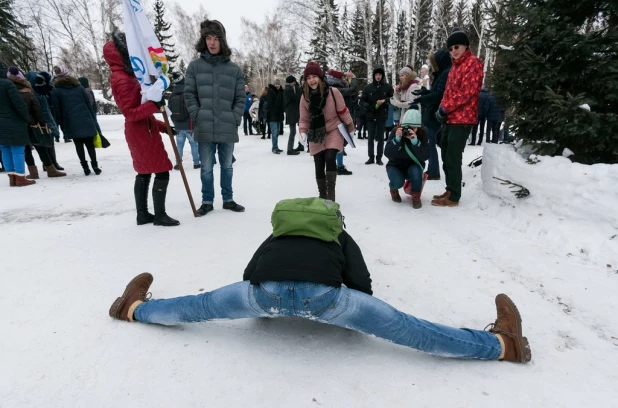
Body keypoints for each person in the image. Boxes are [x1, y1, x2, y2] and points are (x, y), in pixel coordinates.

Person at [108, 198, 532, 364]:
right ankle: (501, 346)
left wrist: (266, 306)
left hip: (264, 292)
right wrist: (352, 311)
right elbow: (361, 282)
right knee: (410, 330)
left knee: (197, 307)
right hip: (327, 300)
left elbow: (249, 274)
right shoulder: (339, 235)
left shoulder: (276, 234)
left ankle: (132, 309)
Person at [103, 31, 179, 227]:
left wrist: (164, 127)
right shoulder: (121, 79)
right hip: (141, 134)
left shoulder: (128, 76)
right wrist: (155, 104)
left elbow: (141, 113)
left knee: (144, 172)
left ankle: (143, 215)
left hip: (143, 130)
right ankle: (159, 216)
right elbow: (131, 113)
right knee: (162, 171)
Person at [185, 20, 245, 216]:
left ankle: (228, 199)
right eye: (208, 38)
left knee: (227, 166)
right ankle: (207, 201)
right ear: (204, 41)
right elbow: (189, 95)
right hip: (204, 126)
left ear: (222, 42)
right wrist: (197, 114)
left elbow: (240, 97)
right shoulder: (194, 67)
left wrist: (235, 117)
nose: (212, 43)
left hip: (227, 125)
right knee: (206, 168)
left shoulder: (234, 70)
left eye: (216, 38)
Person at [433, 28, 483, 207]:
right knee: (446, 153)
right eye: (450, 48)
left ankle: (454, 196)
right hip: (450, 118)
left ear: (465, 46)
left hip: (463, 118)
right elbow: (448, 92)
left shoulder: (473, 63)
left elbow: (467, 93)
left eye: (456, 46)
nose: (453, 51)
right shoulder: (455, 66)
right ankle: (450, 188)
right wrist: (441, 110)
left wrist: (445, 108)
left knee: (453, 156)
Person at [299, 62, 355, 202]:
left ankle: (331, 196)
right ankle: (322, 195)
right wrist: (302, 131)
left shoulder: (333, 92)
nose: (312, 80)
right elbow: (304, 119)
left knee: (330, 156)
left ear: (320, 76)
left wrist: (350, 127)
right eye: (309, 77)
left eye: (314, 76)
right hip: (315, 132)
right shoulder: (305, 97)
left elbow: (343, 111)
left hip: (333, 128)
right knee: (318, 161)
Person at [8, 67, 66, 179]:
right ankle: (51, 169)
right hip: (33, 124)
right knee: (41, 146)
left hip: (18, 125)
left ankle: (33, 172)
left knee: (26, 149)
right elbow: (37, 109)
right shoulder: (28, 92)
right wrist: (43, 123)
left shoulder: (10, 93)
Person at [51, 65, 101, 176]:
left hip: (70, 122)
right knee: (90, 145)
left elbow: (57, 110)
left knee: (78, 145)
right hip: (86, 119)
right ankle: (95, 166)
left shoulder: (56, 91)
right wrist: (92, 119)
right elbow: (89, 104)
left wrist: (61, 125)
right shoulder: (79, 88)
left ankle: (85, 168)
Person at [412, 48, 452, 180]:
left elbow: (439, 95)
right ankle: (432, 168)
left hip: (434, 115)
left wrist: (423, 98)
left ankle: (434, 170)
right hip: (432, 113)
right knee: (430, 142)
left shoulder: (445, 73)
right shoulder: (441, 73)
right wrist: (423, 92)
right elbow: (435, 92)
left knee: (430, 143)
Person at [0, 60, 35, 187]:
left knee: (5, 149)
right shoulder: (8, 84)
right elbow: (19, 104)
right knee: (18, 149)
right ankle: (20, 177)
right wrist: (26, 118)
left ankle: (12, 178)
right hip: (13, 121)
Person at [384, 109, 428, 209]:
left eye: (413, 128)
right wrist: (396, 140)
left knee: (416, 172)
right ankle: (393, 189)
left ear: (418, 127)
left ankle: (416, 195)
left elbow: (425, 155)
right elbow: (387, 153)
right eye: (406, 127)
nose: (409, 131)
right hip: (395, 165)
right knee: (397, 182)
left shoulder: (422, 133)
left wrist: (416, 142)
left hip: (414, 164)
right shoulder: (396, 131)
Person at [28, 72, 66, 173]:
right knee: (45, 142)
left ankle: (51, 163)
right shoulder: (36, 93)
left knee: (49, 141)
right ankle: (49, 164)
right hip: (42, 120)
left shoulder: (42, 92)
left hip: (47, 118)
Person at [360, 67, 394, 166]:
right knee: (370, 138)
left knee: (380, 138)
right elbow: (362, 101)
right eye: (376, 75)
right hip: (370, 115)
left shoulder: (387, 87)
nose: (378, 77)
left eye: (380, 75)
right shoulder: (368, 88)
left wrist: (384, 100)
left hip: (382, 115)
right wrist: (368, 106)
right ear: (374, 76)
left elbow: (392, 98)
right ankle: (371, 157)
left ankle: (379, 158)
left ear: (382, 76)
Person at [168, 72, 200, 170]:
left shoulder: (173, 94)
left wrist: (175, 122)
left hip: (178, 125)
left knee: (179, 145)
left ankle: (178, 163)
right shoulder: (189, 92)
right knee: (194, 144)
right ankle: (196, 163)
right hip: (190, 125)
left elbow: (169, 110)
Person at [325, 69, 353, 175]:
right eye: (342, 78)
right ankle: (337, 166)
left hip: (338, 117)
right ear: (337, 79)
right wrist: (353, 79)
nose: (344, 79)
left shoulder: (334, 87)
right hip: (338, 119)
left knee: (337, 143)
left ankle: (336, 166)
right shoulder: (335, 88)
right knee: (337, 143)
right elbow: (351, 90)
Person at [283, 75, 302, 155]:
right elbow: (297, 98)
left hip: (290, 112)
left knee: (293, 131)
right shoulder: (289, 89)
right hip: (291, 112)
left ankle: (290, 148)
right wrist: (298, 88)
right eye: (294, 82)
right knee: (293, 132)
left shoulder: (287, 89)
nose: (295, 83)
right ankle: (289, 149)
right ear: (291, 82)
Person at [267, 79, 285, 154]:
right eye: (276, 84)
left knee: (277, 132)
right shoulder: (271, 91)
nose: (277, 85)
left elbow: (282, 103)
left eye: (278, 84)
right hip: (273, 115)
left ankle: (276, 146)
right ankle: (274, 147)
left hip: (279, 115)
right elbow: (271, 104)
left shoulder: (281, 92)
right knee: (274, 132)